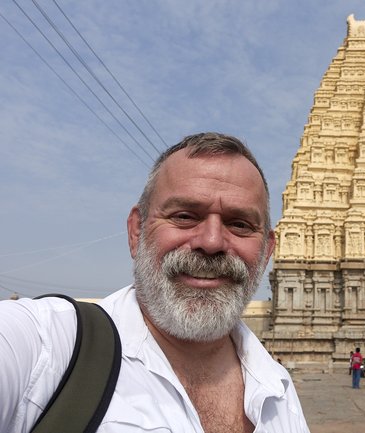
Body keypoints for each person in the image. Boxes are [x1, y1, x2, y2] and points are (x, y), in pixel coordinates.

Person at [0, 132, 310, 433]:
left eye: (239, 224)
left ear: (268, 250)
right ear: (136, 231)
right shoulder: (46, 350)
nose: (212, 242)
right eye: (185, 216)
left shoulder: (279, 392)